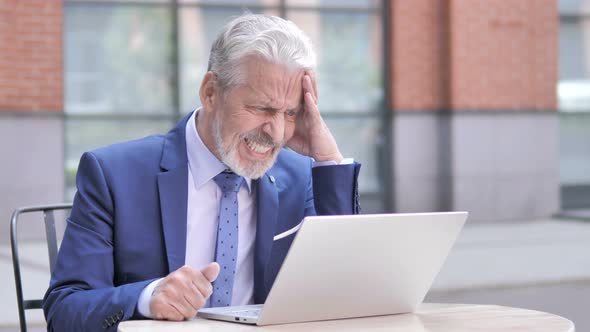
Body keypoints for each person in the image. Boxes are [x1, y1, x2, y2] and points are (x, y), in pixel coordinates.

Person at [43, 14, 361, 331]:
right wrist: (146, 297)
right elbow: (65, 311)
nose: (276, 132)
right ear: (210, 92)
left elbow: (346, 286)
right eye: (262, 108)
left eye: (290, 113)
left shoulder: (299, 176)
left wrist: (327, 158)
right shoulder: (114, 175)